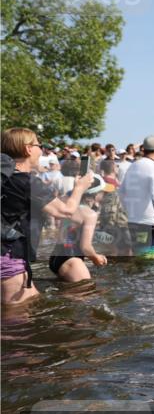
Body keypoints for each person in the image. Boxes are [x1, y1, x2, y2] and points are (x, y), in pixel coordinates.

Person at [2, 127, 92, 304]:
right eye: (38, 145)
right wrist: (80, 188)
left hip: (8, 255)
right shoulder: (26, 181)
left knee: (34, 303)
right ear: (28, 148)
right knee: (14, 323)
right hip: (8, 258)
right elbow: (65, 211)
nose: (40, 149)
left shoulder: (6, 178)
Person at [48, 176, 109, 283]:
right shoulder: (90, 214)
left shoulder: (68, 206)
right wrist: (96, 258)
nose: (104, 194)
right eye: (103, 192)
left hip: (56, 257)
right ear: (95, 194)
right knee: (86, 293)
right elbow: (85, 247)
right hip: (72, 260)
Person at [119, 135, 154, 259]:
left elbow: (121, 193)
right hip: (150, 223)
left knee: (138, 258)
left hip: (132, 221)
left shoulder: (132, 166)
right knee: (150, 261)